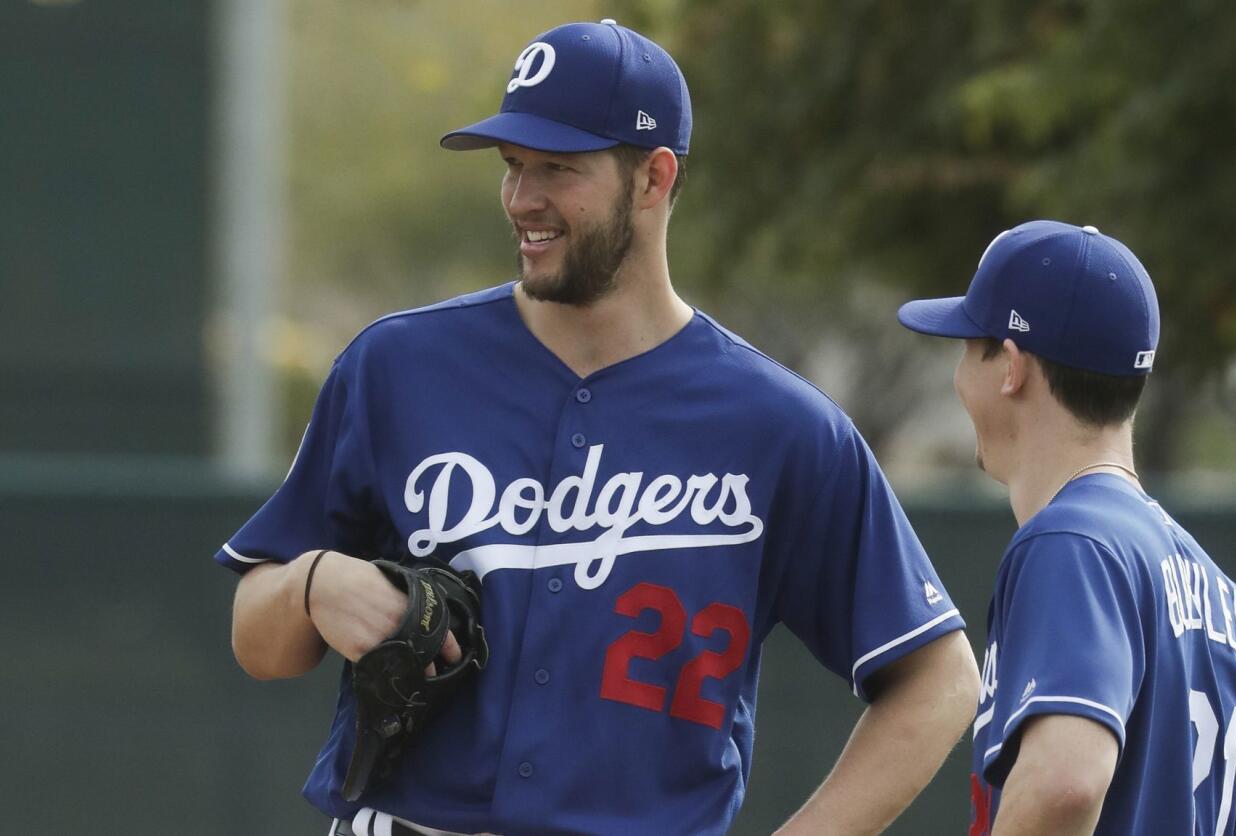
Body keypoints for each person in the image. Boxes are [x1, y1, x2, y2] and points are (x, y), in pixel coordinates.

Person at [220, 19, 979, 836]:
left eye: (558, 167)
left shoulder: (778, 426)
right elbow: (259, 640)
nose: (522, 198)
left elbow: (939, 679)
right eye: (513, 166)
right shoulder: (396, 368)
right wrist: (312, 583)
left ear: (653, 178)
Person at [897, 220, 1236, 836]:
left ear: (1011, 368)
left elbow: (1065, 784)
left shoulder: (1071, 544)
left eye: (971, 347)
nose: (959, 375)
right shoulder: (1223, 595)